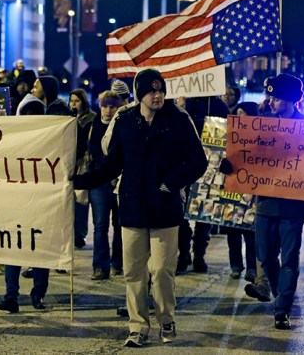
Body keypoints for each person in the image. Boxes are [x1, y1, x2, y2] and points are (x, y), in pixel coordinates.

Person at [74, 68, 207, 347]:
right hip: (132, 206)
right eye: (151, 91)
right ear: (139, 94)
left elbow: (197, 161)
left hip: (165, 209)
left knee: (160, 270)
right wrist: (81, 180)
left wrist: (171, 184)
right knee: (133, 272)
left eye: (161, 91)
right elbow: (112, 164)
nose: (157, 95)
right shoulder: (125, 120)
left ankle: (166, 319)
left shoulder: (178, 120)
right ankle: (137, 326)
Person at [220, 73, 304, 330]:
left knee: (290, 259)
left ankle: (282, 309)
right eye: (269, 96)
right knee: (266, 256)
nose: (270, 101)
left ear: (291, 100)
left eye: (276, 97)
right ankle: (276, 291)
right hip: (266, 203)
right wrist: (230, 165)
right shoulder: (262, 125)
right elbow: (247, 156)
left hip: (293, 205)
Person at [0, 76, 71, 314]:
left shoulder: (58, 116)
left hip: (43, 192)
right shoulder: (17, 133)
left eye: (37, 85)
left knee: (40, 245)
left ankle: (37, 293)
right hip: (19, 192)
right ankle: (13, 295)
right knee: (13, 245)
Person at [176, 95, 230, 274]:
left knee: (203, 216)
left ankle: (199, 255)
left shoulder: (216, 105)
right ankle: (183, 254)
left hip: (209, 169)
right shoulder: (180, 104)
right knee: (181, 216)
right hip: (184, 166)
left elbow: (227, 132)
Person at [84, 90, 127, 280]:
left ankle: (117, 262)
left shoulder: (123, 126)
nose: (108, 110)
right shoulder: (92, 126)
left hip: (118, 181)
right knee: (100, 225)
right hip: (99, 181)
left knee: (119, 224)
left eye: (112, 106)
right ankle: (100, 266)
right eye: (105, 106)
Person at [225, 102, 259, 282]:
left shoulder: (260, 136)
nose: (240, 118)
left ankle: (252, 268)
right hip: (232, 190)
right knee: (233, 232)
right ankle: (236, 266)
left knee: (250, 233)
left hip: (251, 190)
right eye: (237, 114)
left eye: (243, 114)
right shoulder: (230, 136)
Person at [70, 88, 97, 249]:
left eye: (77, 101)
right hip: (70, 162)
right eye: (72, 101)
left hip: (83, 164)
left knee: (81, 201)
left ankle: (80, 234)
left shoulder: (91, 119)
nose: (73, 104)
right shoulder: (69, 118)